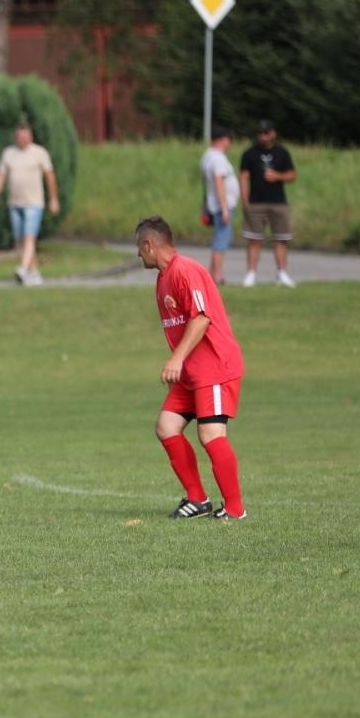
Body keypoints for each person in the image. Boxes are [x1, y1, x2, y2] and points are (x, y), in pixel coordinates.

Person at [134, 216, 247, 521]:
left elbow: (201, 318)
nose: (138, 255)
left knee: (210, 434)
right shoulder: (163, 279)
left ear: (149, 244)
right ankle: (197, 499)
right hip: (192, 373)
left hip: (214, 366)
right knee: (166, 427)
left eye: (139, 248)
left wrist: (176, 359)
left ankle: (235, 509)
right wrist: (182, 364)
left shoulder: (186, 270)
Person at [0, 121, 60, 286]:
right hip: (15, 202)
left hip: (34, 202)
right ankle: (33, 273)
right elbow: (0, 175)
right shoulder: (8, 153)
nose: (23, 139)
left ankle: (22, 269)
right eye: (20, 136)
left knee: (29, 237)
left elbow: (50, 176)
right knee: (21, 239)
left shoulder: (39, 153)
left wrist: (53, 199)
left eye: (25, 136)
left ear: (30, 136)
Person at [239, 118, 298, 288]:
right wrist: (245, 201)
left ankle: (282, 273)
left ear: (273, 133)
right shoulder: (249, 153)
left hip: (278, 202)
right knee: (254, 239)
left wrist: (278, 176)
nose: (263, 136)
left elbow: (292, 175)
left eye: (266, 133)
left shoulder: (282, 152)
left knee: (281, 238)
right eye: (260, 133)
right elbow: (243, 177)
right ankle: (251, 274)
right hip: (256, 202)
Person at [200, 127, 240, 284]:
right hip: (222, 205)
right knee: (221, 239)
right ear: (223, 139)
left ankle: (212, 272)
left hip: (214, 203)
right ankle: (216, 275)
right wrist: (224, 208)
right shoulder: (217, 158)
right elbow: (219, 181)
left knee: (221, 237)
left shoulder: (207, 155)